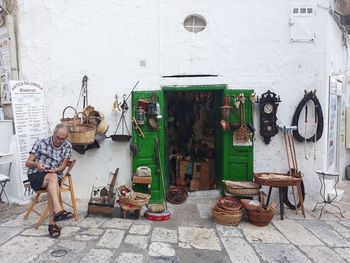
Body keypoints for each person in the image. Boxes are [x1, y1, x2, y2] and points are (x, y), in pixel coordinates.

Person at [25, 123, 73, 238]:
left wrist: (56, 169)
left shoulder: (68, 146)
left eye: (63, 139)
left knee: (53, 178)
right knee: (53, 180)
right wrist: (37, 164)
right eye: (57, 137)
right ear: (54, 133)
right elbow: (27, 163)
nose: (59, 141)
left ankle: (54, 219)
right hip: (37, 175)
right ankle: (56, 214)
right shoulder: (41, 143)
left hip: (54, 176)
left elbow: (63, 166)